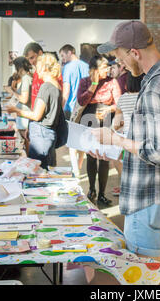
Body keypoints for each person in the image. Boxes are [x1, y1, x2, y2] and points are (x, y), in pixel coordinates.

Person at [90, 20, 160, 285]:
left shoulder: (156, 87)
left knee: (144, 282)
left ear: (134, 52)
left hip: (148, 198)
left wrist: (114, 139)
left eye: (121, 58)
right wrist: (132, 124)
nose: (122, 65)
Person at [77, 55, 122, 207]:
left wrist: (109, 108)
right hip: (89, 119)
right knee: (91, 156)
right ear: (94, 70)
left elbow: (119, 104)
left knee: (104, 157)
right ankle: (91, 190)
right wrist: (94, 83)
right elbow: (82, 100)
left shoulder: (112, 82)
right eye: (104, 67)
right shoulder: (85, 81)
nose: (108, 69)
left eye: (108, 66)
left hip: (106, 120)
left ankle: (102, 193)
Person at [7, 53, 63, 170]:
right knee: (44, 170)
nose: (36, 70)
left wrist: (16, 110)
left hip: (42, 135)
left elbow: (36, 115)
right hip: (47, 133)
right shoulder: (55, 85)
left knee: (38, 172)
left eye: (37, 67)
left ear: (44, 68)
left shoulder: (46, 87)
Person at [111, 72, 144, 196]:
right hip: (143, 139)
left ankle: (126, 185)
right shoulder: (145, 96)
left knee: (117, 159)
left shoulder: (123, 98)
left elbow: (116, 124)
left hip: (127, 138)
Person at [59, 44, 89, 177]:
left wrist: (60, 108)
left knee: (72, 140)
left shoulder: (67, 68)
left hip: (70, 108)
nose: (63, 58)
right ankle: (80, 164)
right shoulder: (86, 66)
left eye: (63, 55)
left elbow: (66, 91)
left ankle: (75, 170)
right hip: (85, 107)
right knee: (82, 138)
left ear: (70, 52)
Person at [23, 42, 63, 111]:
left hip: (45, 117)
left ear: (40, 53)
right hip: (36, 116)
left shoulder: (51, 72)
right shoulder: (37, 71)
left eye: (32, 57)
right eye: (29, 59)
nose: (31, 62)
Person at [4, 57, 33, 153]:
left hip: (25, 116)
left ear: (19, 67)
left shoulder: (25, 79)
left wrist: (11, 91)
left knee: (26, 144)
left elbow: (24, 99)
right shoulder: (27, 78)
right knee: (25, 143)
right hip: (23, 116)